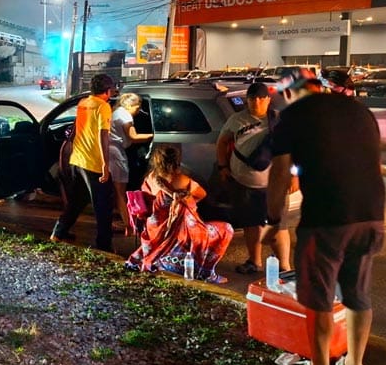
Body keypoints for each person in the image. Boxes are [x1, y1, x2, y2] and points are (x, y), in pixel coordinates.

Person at [269, 69, 385, 365]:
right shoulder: (359, 111)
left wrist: (272, 218)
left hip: (326, 218)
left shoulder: (293, 116)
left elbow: (280, 172)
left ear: (288, 93)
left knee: (318, 298)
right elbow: (374, 163)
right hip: (370, 215)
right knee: (357, 294)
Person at [125, 146, 233, 283]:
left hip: (154, 232)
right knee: (226, 229)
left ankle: (164, 261)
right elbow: (202, 194)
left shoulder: (149, 178)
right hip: (179, 234)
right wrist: (186, 203)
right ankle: (206, 273)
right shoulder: (182, 180)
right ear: (176, 162)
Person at [216, 82, 291, 274]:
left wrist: (293, 176)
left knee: (279, 225)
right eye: (251, 99)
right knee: (250, 223)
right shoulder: (236, 119)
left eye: (260, 98)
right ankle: (254, 261)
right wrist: (223, 166)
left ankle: (284, 266)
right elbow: (222, 143)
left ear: (267, 99)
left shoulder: (279, 121)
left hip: (274, 184)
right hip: (244, 182)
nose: (255, 102)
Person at [50, 73, 117, 252]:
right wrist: (105, 165)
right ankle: (104, 245)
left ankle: (59, 232)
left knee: (77, 201)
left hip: (77, 160)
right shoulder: (103, 107)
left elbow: (75, 131)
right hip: (93, 163)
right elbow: (104, 136)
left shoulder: (83, 103)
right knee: (103, 205)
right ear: (108, 91)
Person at [109, 93, 153, 236]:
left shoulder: (116, 113)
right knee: (120, 191)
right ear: (130, 105)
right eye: (138, 108)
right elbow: (133, 137)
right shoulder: (126, 116)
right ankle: (128, 225)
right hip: (116, 153)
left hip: (111, 151)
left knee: (115, 190)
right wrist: (154, 135)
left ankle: (121, 221)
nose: (138, 111)